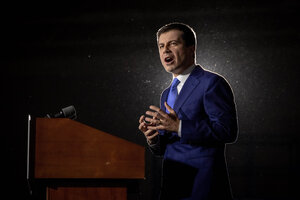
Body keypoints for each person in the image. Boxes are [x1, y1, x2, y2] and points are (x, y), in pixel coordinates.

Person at [138, 22, 238, 200]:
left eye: (173, 43)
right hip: (172, 187)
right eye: (161, 46)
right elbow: (168, 146)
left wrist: (179, 127)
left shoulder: (212, 83)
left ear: (192, 49)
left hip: (203, 187)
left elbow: (227, 131)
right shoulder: (166, 94)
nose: (165, 50)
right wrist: (153, 139)